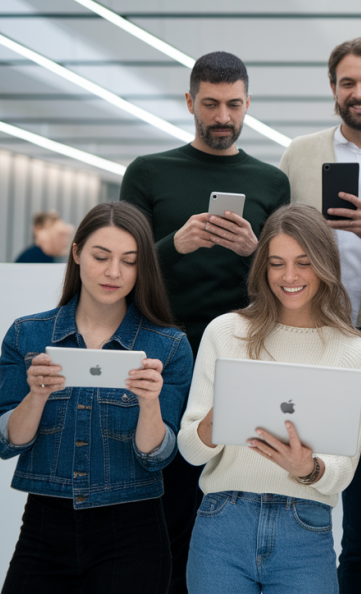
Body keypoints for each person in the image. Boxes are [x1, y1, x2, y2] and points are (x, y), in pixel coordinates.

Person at [120, 50, 292, 592]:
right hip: (162, 353)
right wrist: (175, 244)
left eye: (234, 105)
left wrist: (253, 251)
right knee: (162, 490)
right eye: (212, 104)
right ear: (190, 101)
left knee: (223, 490)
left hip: (242, 353)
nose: (223, 117)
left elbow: (286, 282)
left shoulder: (269, 181)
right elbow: (125, 266)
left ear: (248, 105)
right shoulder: (148, 172)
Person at [0, 201, 193, 593]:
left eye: (129, 261)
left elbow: (158, 456)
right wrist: (35, 396)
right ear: (77, 253)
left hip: (133, 531)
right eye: (101, 256)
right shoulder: (28, 336)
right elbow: (5, 442)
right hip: (45, 526)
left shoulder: (168, 347)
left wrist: (149, 402)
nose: (113, 272)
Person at [177, 204, 361, 594]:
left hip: (304, 529)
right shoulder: (226, 331)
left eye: (304, 262)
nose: (289, 276)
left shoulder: (353, 351)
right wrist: (214, 424)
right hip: (222, 524)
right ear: (262, 268)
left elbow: (344, 470)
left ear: (325, 265)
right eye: (276, 263)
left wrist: (309, 468)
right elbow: (190, 450)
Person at [278, 37, 361, 593]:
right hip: (311, 336)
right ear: (334, 90)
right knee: (300, 463)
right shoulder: (299, 155)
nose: (359, 93)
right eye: (348, 83)